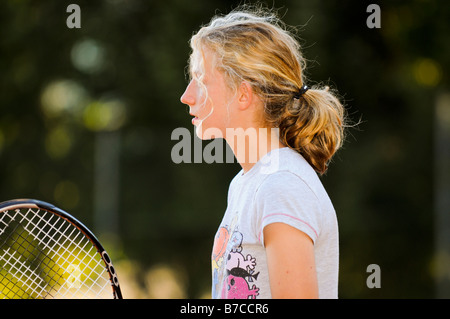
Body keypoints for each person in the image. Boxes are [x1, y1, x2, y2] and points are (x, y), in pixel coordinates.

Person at [180, 6, 346, 299]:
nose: (187, 96)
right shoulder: (246, 183)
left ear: (243, 94)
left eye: (202, 80)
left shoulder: (281, 185)